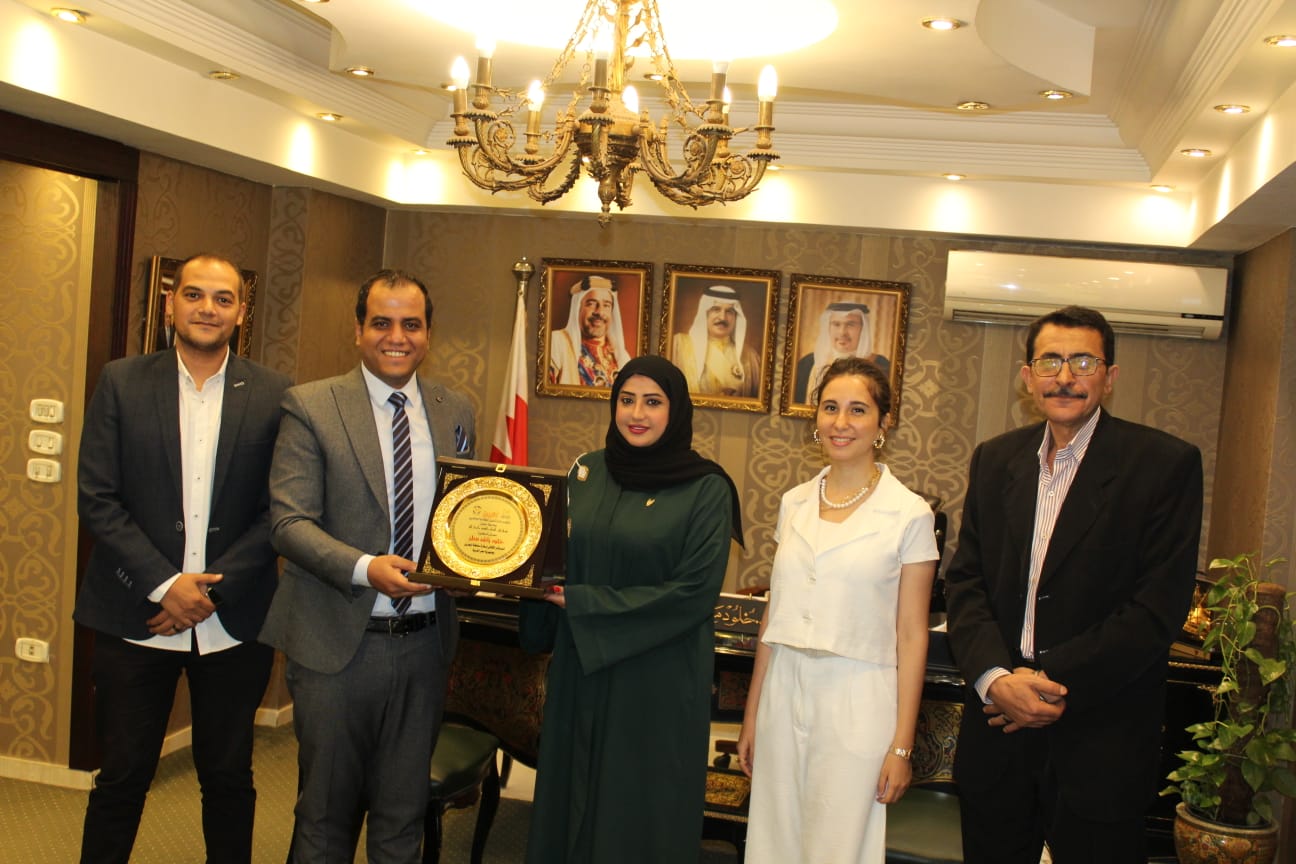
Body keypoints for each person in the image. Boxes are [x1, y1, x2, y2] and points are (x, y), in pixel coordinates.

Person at [943, 305, 1203, 864]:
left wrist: (1048, 680)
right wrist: (995, 679)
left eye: (1083, 362)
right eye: (1050, 361)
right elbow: (966, 583)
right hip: (998, 726)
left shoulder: (1164, 465)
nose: (1065, 376)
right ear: (1027, 376)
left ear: (1110, 377)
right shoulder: (995, 460)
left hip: (1100, 734)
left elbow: (1157, 608)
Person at [74, 253, 290, 864]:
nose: (207, 309)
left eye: (223, 299)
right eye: (194, 294)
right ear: (171, 303)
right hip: (134, 615)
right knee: (121, 779)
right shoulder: (121, 381)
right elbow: (97, 497)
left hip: (233, 623)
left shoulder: (275, 393)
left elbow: (280, 510)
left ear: (241, 312)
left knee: (228, 779)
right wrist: (165, 584)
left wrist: (208, 593)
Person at [259, 268, 476, 862]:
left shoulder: (455, 409)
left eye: (411, 324)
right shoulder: (311, 405)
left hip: (425, 646)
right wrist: (364, 567)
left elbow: (465, 515)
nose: (397, 337)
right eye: (382, 322)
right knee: (325, 818)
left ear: (428, 334)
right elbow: (289, 523)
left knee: (403, 819)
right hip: (337, 645)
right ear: (358, 330)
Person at [520, 355, 744, 864]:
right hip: (581, 668)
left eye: (652, 402)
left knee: (637, 807)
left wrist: (585, 602)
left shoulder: (707, 488)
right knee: (570, 793)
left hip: (657, 679)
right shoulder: (587, 471)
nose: (636, 414)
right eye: (626, 400)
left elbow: (695, 592)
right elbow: (554, 554)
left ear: (676, 410)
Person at [736, 356, 938, 863]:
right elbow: (774, 617)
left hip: (858, 695)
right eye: (830, 408)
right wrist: (752, 715)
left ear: (883, 423)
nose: (840, 423)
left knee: (838, 847)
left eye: (857, 410)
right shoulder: (795, 502)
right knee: (773, 842)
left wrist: (901, 746)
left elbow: (912, 634)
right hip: (784, 688)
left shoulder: (909, 514)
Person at [671, 284, 762, 397]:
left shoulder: (750, 356)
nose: (722, 317)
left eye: (729, 312)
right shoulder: (679, 345)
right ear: (705, 313)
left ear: (736, 317)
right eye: (716, 309)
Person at [792, 301, 891, 403]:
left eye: (850, 325)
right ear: (828, 327)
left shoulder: (881, 365)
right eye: (836, 324)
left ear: (863, 329)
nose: (842, 332)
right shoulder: (807, 364)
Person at [548, 274, 631, 387]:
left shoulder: (621, 356)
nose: (599, 312)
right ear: (578, 308)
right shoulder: (557, 342)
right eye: (591, 304)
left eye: (606, 305)